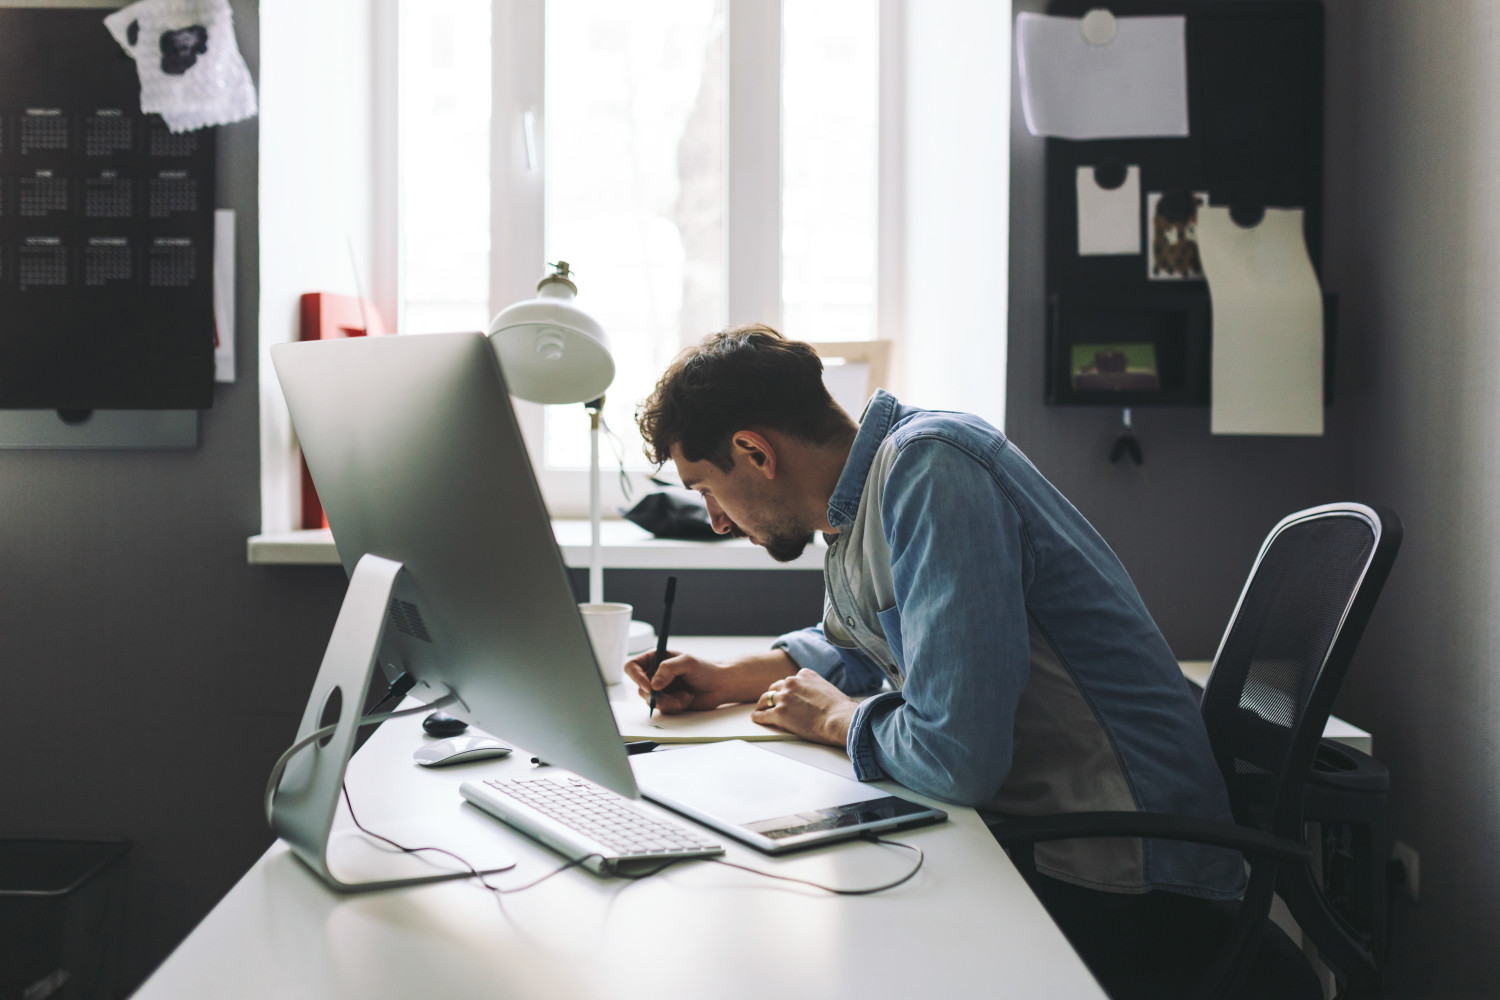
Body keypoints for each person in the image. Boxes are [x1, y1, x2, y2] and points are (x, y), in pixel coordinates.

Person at [624, 324, 1250, 997]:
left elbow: (958, 759)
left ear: (754, 451)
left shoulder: (931, 469)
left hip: (1131, 878)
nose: (714, 520)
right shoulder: (862, 502)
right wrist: (737, 678)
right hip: (1051, 839)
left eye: (706, 489)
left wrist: (836, 721)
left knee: (808, 947)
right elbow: (877, 646)